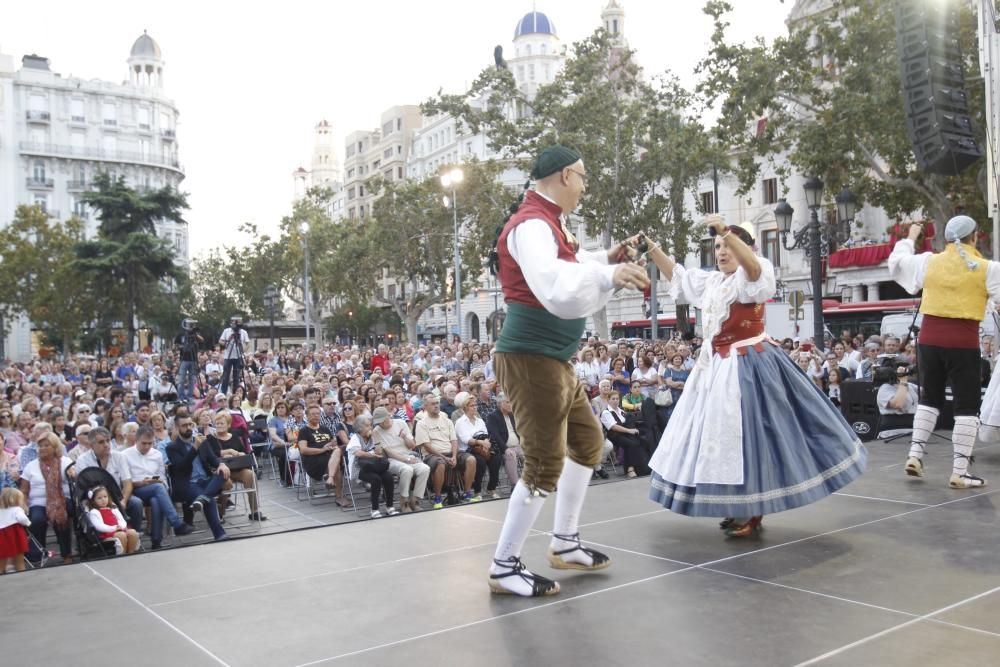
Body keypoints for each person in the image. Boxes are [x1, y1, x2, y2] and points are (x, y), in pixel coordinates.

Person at [488, 144, 650, 597]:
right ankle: (503, 566)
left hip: (550, 358)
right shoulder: (531, 226)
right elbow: (555, 288)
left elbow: (569, 265)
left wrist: (605, 260)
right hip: (530, 357)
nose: (584, 184)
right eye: (580, 176)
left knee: (587, 440)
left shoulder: (548, 222)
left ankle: (564, 542)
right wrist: (607, 276)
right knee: (542, 463)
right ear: (562, 176)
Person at [645, 218, 866, 537]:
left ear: (744, 247)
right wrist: (652, 248)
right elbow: (677, 275)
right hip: (716, 369)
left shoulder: (753, 273)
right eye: (718, 246)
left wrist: (727, 233)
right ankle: (740, 506)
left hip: (748, 365)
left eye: (727, 245)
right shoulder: (713, 282)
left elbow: (753, 269)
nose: (721, 251)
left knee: (750, 436)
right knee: (718, 440)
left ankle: (751, 508)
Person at [891, 217, 998, 488]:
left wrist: (912, 234)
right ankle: (959, 471)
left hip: (928, 340)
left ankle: (915, 455)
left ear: (947, 239)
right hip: (963, 342)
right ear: (974, 237)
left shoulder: (928, 261)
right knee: (967, 406)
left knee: (930, 399)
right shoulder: (987, 268)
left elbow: (899, 260)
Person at [124, 426, 193, 549]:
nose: (146, 446)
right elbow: (125, 480)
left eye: (150, 443)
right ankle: (177, 523)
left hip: (154, 488)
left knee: (157, 498)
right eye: (143, 443)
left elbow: (163, 476)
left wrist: (160, 483)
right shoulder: (125, 455)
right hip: (135, 488)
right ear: (136, 440)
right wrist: (141, 482)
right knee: (158, 489)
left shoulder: (157, 454)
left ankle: (156, 540)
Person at [165, 415, 228, 541]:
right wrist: (194, 448)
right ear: (177, 428)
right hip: (189, 483)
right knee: (209, 500)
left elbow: (213, 459)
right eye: (184, 425)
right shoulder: (172, 447)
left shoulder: (202, 441)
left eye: (190, 424)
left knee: (223, 472)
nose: (188, 428)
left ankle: (202, 498)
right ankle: (220, 534)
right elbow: (181, 466)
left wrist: (221, 464)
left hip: (206, 480)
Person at [20, 432, 76, 563]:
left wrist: (72, 473)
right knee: (37, 519)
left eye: (46, 445)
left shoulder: (65, 462)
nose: (42, 448)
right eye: (40, 446)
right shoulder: (31, 466)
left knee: (62, 515)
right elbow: (24, 490)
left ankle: (67, 554)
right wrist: (23, 505)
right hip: (38, 502)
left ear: (55, 447)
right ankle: (38, 555)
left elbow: (73, 476)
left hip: (62, 499)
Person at [76, 427, 144, 532]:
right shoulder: (82, 460)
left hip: (117, 496)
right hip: (95, 500)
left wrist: (124, 500)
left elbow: (127, 483)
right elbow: (84, 489)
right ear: (91, 445)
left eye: (108, 440)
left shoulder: (119, 456)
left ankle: (134, 536)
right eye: (101, 442)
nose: (106, 444)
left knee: (136, 503)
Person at [414, 394, 473, 509]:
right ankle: (438, 497)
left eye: (437, 403)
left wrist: (455, 456)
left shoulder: (447, 421)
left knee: (471, 459)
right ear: (425, 407)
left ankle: (467, 493)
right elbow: (427, 446)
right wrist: (445, 458)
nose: (436, 406)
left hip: (451, 453)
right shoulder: (421, 423)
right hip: (432, 455)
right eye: (433, 404)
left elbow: (454, 440)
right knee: (440, 463)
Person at [371, 406, 428, 513]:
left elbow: (412, 445)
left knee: (424, 469)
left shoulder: (401, 423)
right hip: (392, 460)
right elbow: (389, 453)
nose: (381, 424)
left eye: (383, 420)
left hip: (408, 455)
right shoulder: (376, 431)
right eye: (379, 422)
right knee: (407, 469)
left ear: (388, 416)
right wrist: (407, 459)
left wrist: (404, 437)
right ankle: (404, 500)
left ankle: (415, 500)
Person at [345, 415, 397, 518]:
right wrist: (372, 455)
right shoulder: (356, 438)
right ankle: (374, 509)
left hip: (373, 466)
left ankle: (390, 507)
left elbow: (379, 451)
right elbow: (358, 453)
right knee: (376, 479)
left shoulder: (371, 437)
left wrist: (375, 438)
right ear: (360, 428)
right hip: (358, 468)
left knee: (388, 477)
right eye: (368, 426)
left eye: (371, 425)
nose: (370, 428)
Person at [454, 393, 499, 501]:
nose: (475, 407)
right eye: (472, 406)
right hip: (468, 450)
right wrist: (481, 442)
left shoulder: (480, 420)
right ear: (465, 408)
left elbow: (486, 434)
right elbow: (467, 440)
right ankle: (477, 491)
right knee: (480, 462)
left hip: (482, 447)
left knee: (497, 458)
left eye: (475, 405)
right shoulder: (460, 422)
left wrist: (486, 443)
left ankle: (491, 488)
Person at [600, 392, 651, 478]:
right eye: (613, 399)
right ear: (608, 400)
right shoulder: (606, 413)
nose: (615, 401)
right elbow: (614, 427)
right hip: (614, 436)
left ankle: (641, 468)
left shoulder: (621, 411)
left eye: (617, 399)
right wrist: (629, 431)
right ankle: (629, 469)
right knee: (631, 444)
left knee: (641, 441)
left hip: (625, 433)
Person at [85, 485, 139, 555]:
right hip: (105, 533)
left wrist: (120, 526)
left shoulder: (113, 508)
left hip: (119, 529)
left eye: (105, 497)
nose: (103, 500)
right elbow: (99, 526)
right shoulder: (94, 512)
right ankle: (122, 554)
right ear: (93, 501)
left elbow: (122, 520)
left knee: (132, 532)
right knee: (121, 535)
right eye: (99, 498)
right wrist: (113, 528)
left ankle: (131, 552)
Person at [0, 487, 30, 573]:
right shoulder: (17, 509)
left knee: (2, 560)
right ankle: (21, 573)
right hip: (15, 535)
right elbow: (22, 519)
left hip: (1, 536)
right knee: (19, 560)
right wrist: (28, 523)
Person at [218, 316, 250, 396]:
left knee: (237, 376)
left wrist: (243, 350)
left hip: (238, 356)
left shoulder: (243, 332)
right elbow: (220, 341)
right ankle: (223, 393)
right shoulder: (227, 331)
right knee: (226, 375)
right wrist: (226, 342)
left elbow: (247, 343)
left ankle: (236, 393)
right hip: (228, 356)